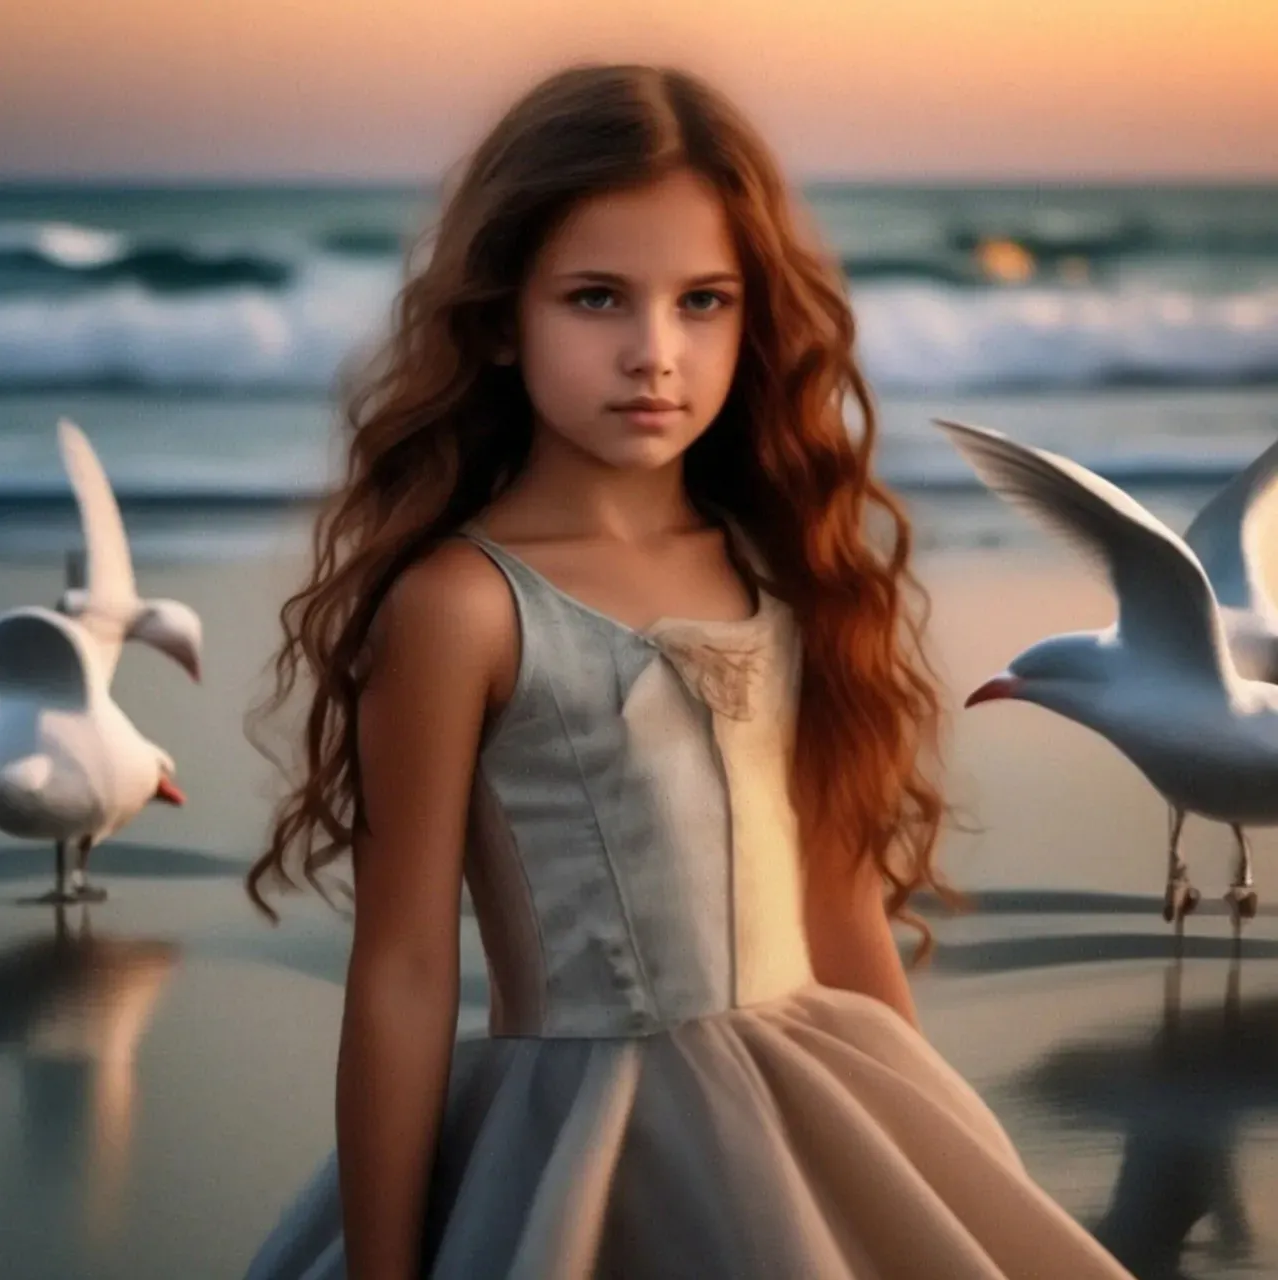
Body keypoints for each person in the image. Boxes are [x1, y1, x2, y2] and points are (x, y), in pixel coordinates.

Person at [240, 62, 1134, 1280]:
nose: (653, 352)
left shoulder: (785, 571)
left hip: (810, 1125)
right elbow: (399, 971)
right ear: (502, 318)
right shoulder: (463, 606)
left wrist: (928, 1156)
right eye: (596, 298)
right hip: (577, 1157)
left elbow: (838, 911)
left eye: (703, 300)